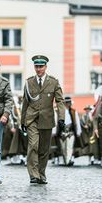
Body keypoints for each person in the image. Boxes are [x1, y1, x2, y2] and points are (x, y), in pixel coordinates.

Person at [21, 55, 65, 184]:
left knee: (44, 149)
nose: (38, 69)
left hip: (47, 119)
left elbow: (60, 101)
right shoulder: (29, 82)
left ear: (46, 67)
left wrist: (61, 118)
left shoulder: (54, 82)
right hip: (31, 119)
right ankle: (33, 175)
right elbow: (25, 103)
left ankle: (41, 174)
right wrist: (23, 120)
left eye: (41, 66)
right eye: (36, 66)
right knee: (33, 145)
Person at [57, 96, 82, 166]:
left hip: (71, 132)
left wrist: (78, 131)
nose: (68, 104)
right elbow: (56, 122)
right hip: (62, 132)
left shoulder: (73, 111)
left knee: (69, 147)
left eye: (69, 102)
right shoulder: (59, 112)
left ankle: (68, 161)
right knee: (63, 148)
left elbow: (77, 122)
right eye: (67, 102)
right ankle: (66, 160)